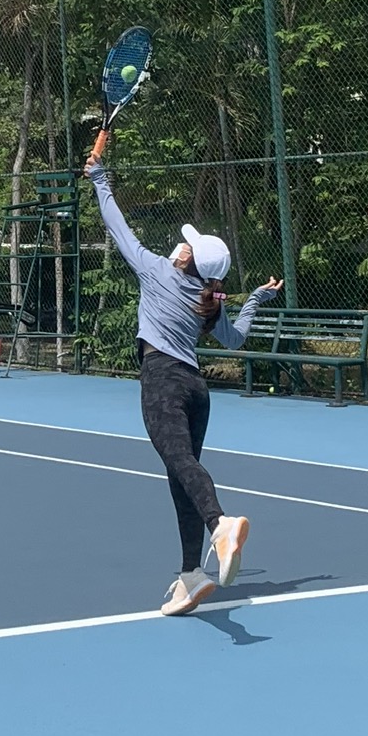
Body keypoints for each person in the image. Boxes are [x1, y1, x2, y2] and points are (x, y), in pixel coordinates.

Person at [85, 128, 282, 616]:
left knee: (181, 466)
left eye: (186, 244)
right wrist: (256, 299)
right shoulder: (208, 301)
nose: (179, 244)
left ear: (187, 258)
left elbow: (117, 226)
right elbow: (236, 340)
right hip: (197, 391)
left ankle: (220, 525)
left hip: (163, 382)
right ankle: (191, 575)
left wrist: (99, 178)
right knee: (180, 474)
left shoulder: (157, 270)